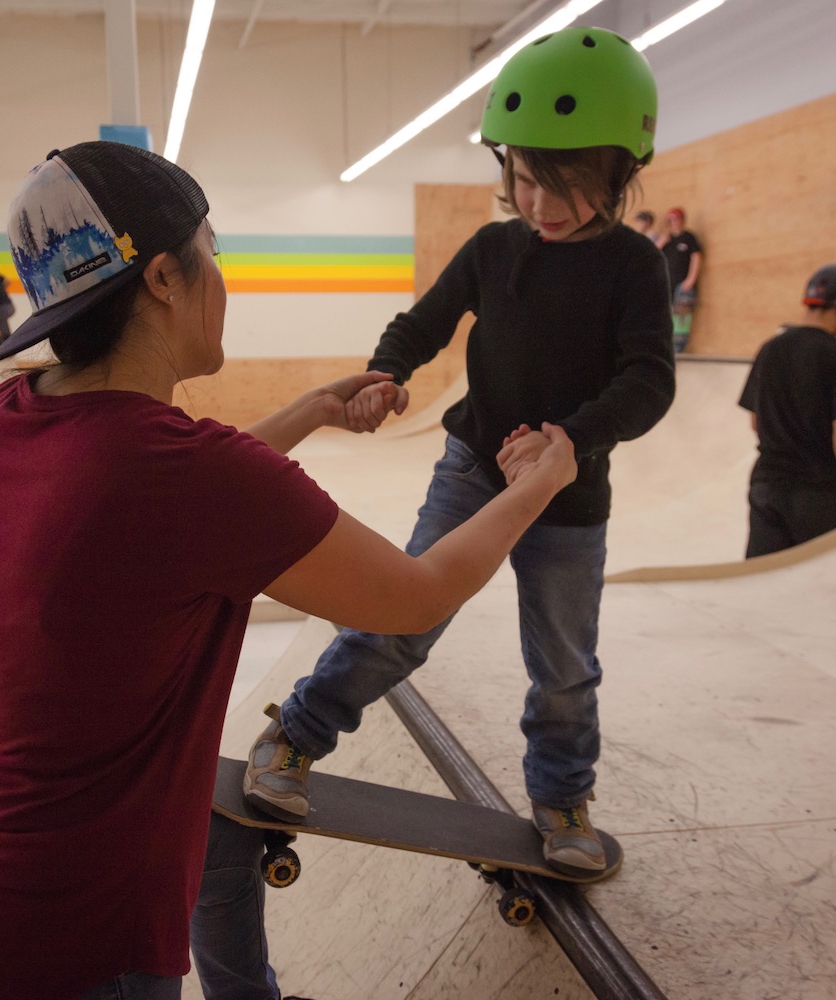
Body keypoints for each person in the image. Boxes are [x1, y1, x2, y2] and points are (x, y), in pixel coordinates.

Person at [0, 141, 577, 1000]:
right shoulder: (191, 473)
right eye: (212, 253)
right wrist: (541, 484)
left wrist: (309, 412)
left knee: (217, 843)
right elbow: (417, 596)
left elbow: (158, 510)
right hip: (69, 928)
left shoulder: (5, 417)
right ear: (163, 280)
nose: (223, 278)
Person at [244, 26, 675, 878]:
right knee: (400, 619)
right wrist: (388, 374)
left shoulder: (635, 267)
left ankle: (561, 800)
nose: (541, 205)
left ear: (622, 175)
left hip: (567, 497)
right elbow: (422, 324)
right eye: (524, 178)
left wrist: (571, 440)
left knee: (562, 667)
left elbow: (650, 380)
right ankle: (294, 736)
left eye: (570, 187)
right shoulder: (492, 248)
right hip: (475, 470)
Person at [738, 263, 836, 557]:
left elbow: (755, 421)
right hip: (818, 492)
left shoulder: (770, 348)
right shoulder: (832, 354)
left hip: (766, 485)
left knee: (763, 583)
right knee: (813, 593)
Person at [656, 207, 702, 352]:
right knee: (663, 317)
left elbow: (696, 257)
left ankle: (678, 349)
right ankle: (665, 348)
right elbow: (652, 258)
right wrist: (661, 243)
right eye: (671, 220)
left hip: (683, 285)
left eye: (677, 219)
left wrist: (691, 279)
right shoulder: (666, 240)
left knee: (681, 319)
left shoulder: (688, 237)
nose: (674, 223)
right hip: (666, 285)